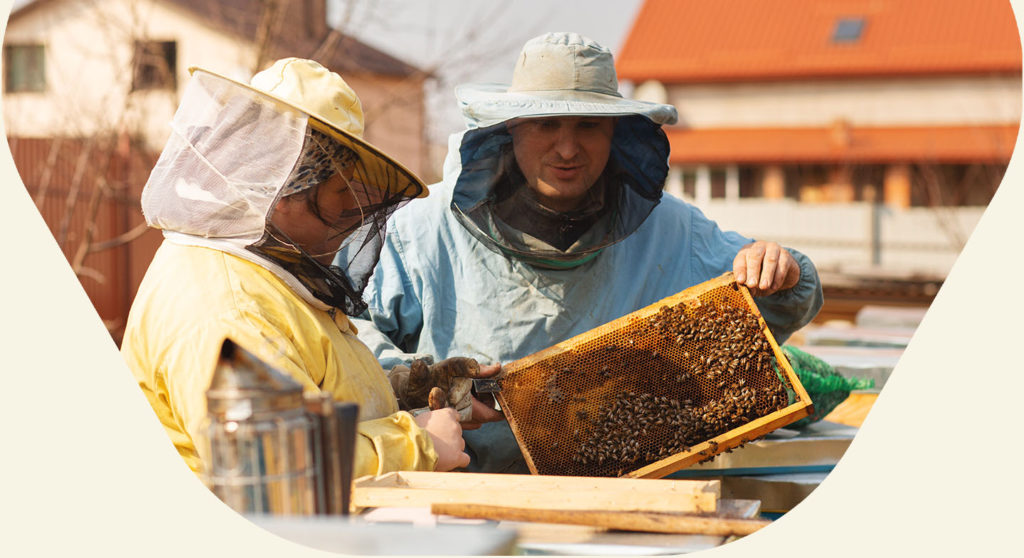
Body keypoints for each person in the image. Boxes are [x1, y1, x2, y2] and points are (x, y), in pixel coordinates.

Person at [352, 33, 825, 474]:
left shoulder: (672, 230)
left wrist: (780, 271)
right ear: (510, 128)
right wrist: (413, 382)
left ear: (617, 134)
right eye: (546, 124)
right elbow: (343, 331)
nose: (567, 147)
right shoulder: (424, 229)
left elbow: (768, 308)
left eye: (589, 125)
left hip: (619, 498)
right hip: (457, 491)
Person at [121, 58, 501, 479]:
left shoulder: (260, 275)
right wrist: (418, 443)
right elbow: (269, 460)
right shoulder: (228, 307)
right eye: (340, 191)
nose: (351, 212)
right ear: (282, 189)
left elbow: (304, 390)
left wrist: (402, 393)